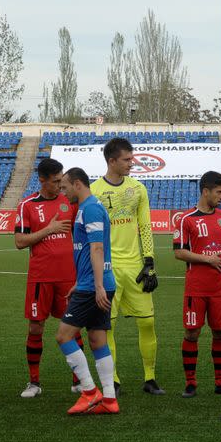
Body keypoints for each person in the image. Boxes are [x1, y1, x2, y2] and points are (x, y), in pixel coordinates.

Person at [91, 138, 163, 395]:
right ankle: (115, 380)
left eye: (132, 159)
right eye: (126, 159)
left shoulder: (138, 189)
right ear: (112, 161)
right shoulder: (95, 191)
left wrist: (150, 262)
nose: (131, 163)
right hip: (108, 269)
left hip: (135, 268)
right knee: (107, 326)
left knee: (147, 323)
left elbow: (145, 226)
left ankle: (150, 378)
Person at [14, 158, 83, 398]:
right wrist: (48, 230)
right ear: (42, 180)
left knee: (74, 328)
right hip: (40, 277)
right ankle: (34, 383)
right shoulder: (27, 205)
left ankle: (79, 380)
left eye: (61, 180)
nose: (59, 185)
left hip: (68, 277)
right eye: (55, 181)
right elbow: (20, 242)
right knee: (35, 327)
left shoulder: (70, 201)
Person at [54, 167, 119, 415]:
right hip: (92, 283)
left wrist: (97, 286)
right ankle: (110, 400)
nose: (63, 191)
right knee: (97, 340)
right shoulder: (86, 208)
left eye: (65, 186)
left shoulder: (90, 208)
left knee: (63, 336)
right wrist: (80, 282)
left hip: (94, 286)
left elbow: (97, 249)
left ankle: (90, 392)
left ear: (77, 184)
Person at [174, 171, 221, 398]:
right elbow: (179, 252)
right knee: (192, 333)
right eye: (219, 192)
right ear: (206, 191)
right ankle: (190, 383)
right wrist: (208, 259)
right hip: (196, 288)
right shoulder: (186, 219)